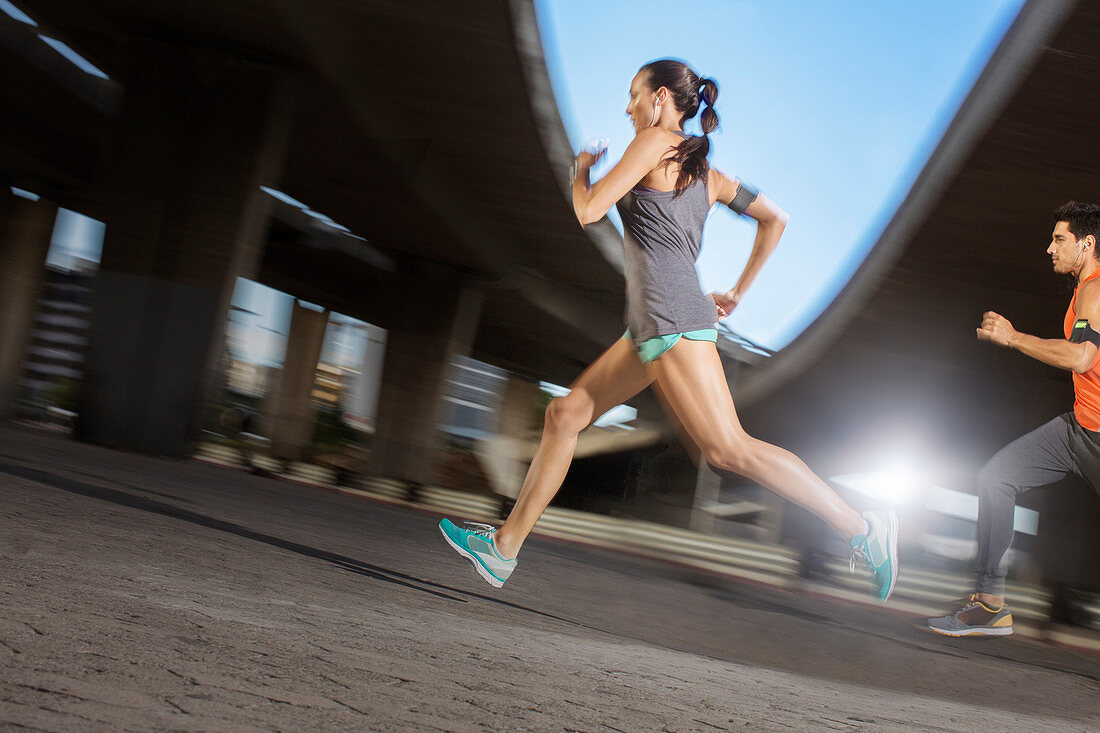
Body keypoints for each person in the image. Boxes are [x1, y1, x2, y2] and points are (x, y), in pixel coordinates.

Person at [439, 59, 899, 601]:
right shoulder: (711, 176)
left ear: (660, 99)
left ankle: (864, 529)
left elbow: (588, 210)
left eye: (633, 95)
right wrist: (738, 292)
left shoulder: (655, 141)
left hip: (671, 319)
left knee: (729, 450)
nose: (627, 106)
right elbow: (776, 218)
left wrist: (581, 168)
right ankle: (504, 548)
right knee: (565, 414)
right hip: (652, 323)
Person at [927, 201, 1100, 637]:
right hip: (1079, 428)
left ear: (1087, 244)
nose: (1049, 248)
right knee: (997, 477)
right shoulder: (1085, 291)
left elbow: (1081, 358)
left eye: (1059, 239)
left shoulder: (1096, 289)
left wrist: (1013, 337)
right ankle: (989, 604)